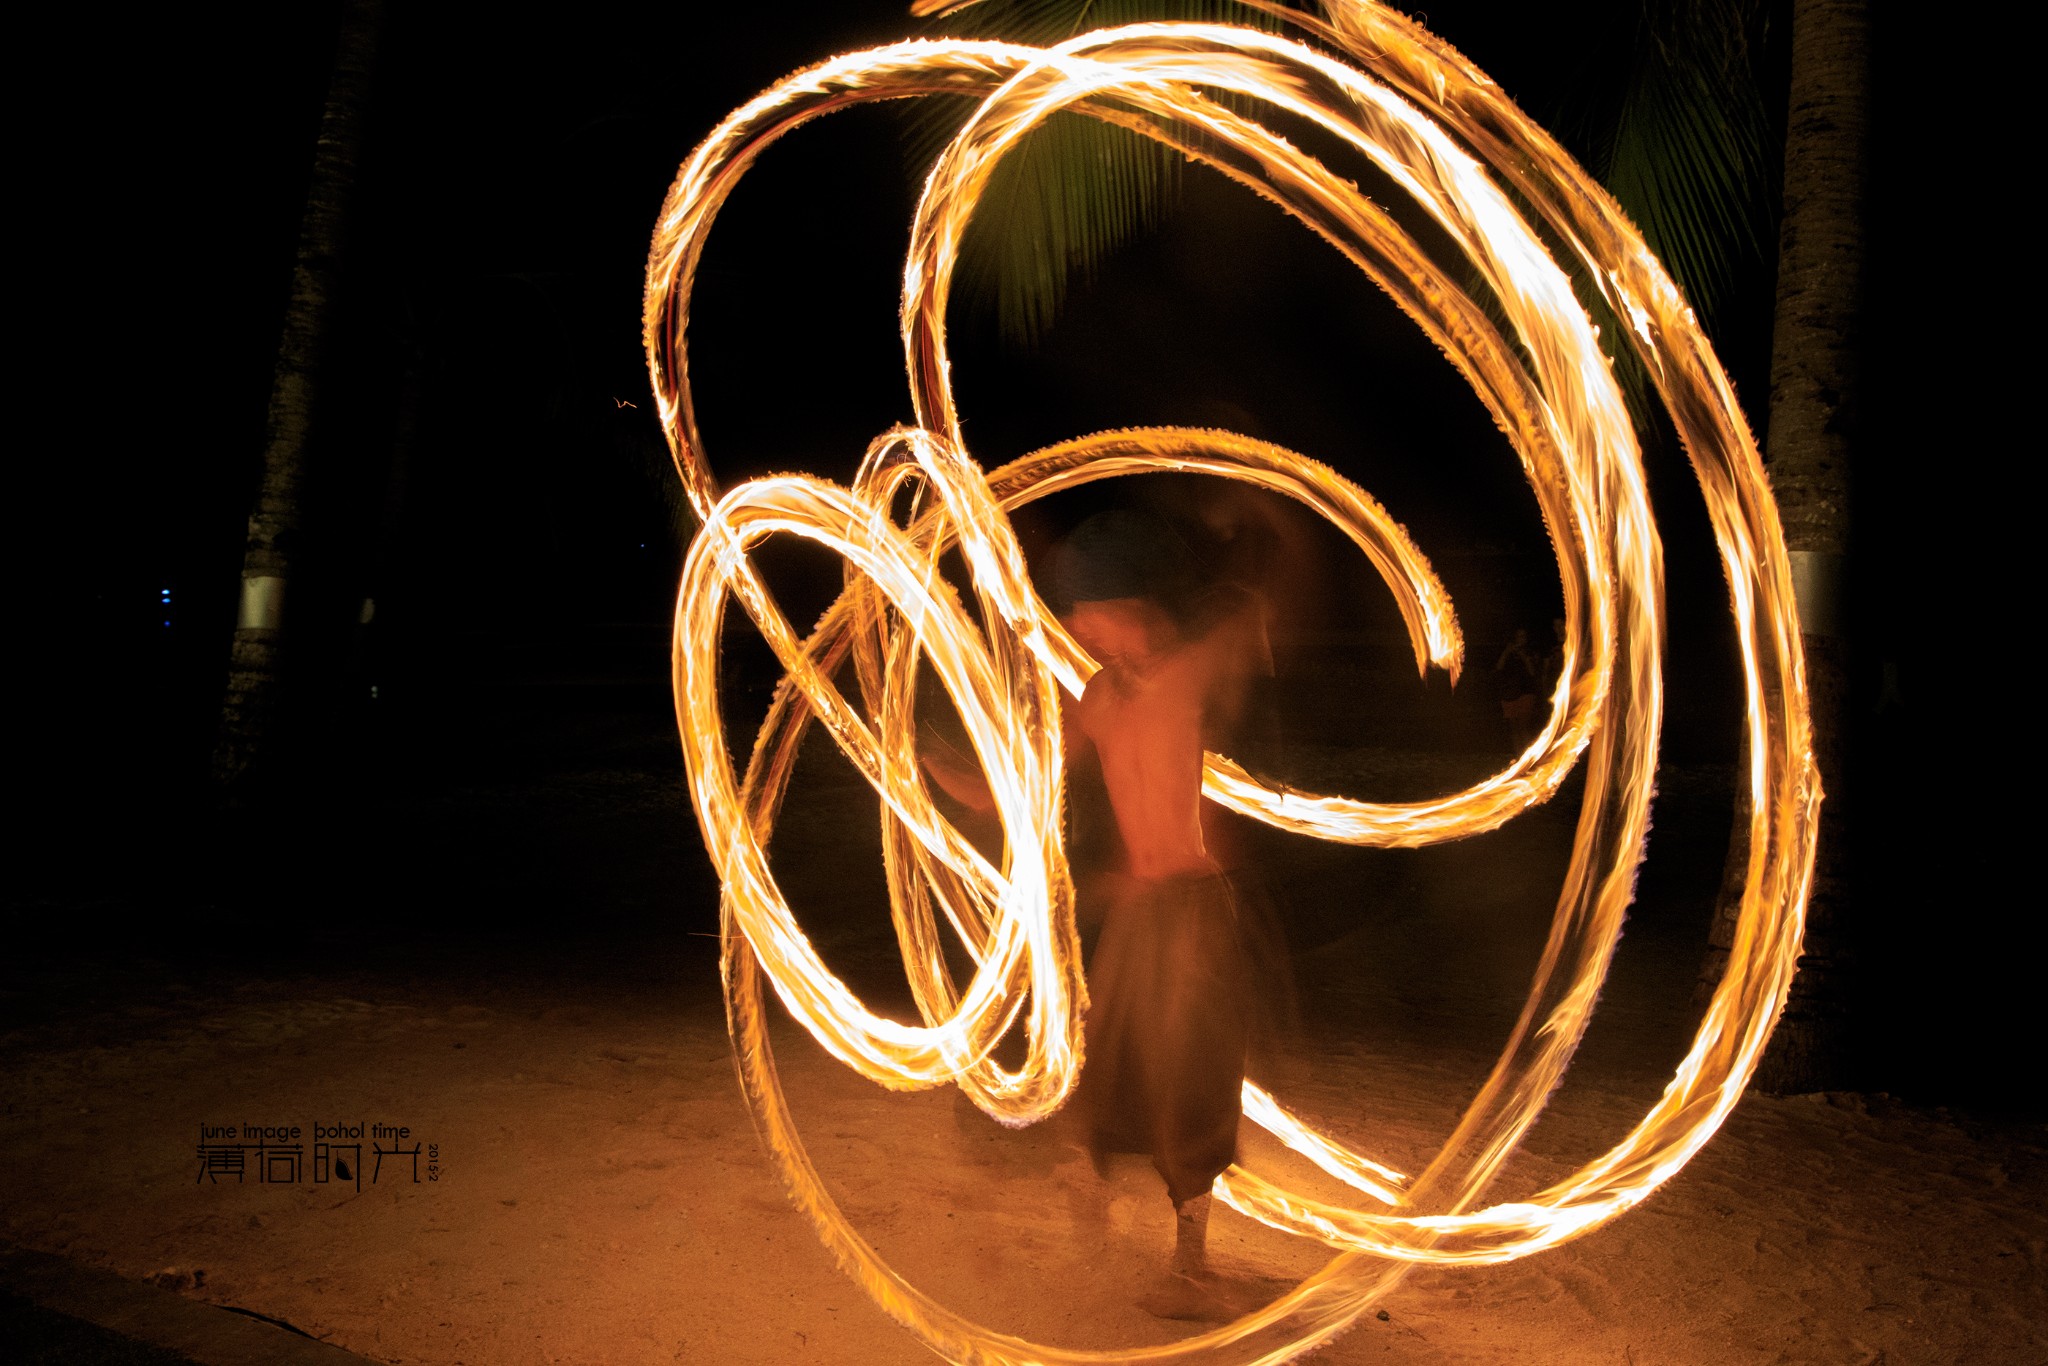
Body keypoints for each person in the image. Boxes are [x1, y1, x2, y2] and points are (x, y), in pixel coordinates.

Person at [925, 508, 1284, 1319]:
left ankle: (1190, 1263)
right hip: (1141, 911)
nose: (1076, 627)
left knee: (1191, 1080)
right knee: (1110, 1069)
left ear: (1127, 604)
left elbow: (1252, 619)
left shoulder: (1189, 672)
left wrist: (1253, 544)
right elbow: (1039, 780)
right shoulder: (1098, 693)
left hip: (1193, 908)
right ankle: (1097, 1217)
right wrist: (955, 784)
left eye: (1085, 609)